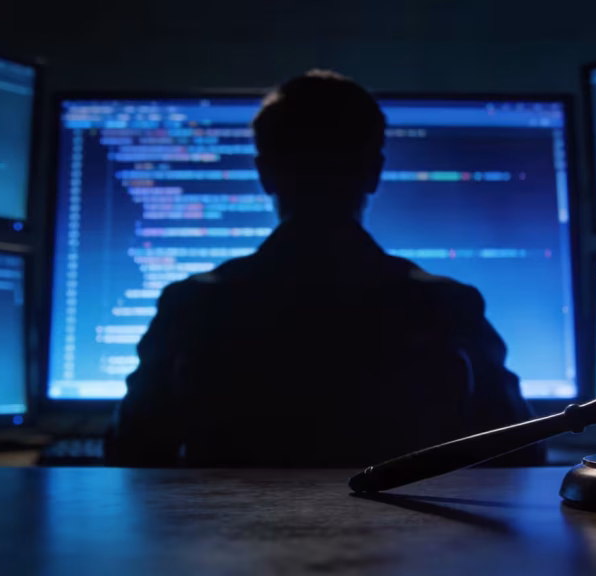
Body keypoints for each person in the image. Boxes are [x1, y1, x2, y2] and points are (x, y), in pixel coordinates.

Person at [105, 70, 544, 468]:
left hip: (232, 534)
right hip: (405, 532)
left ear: (265, 175)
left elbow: (132, 452)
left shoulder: (192, 305)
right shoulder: (448, 305)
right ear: (374, 173)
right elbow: (520, 452)